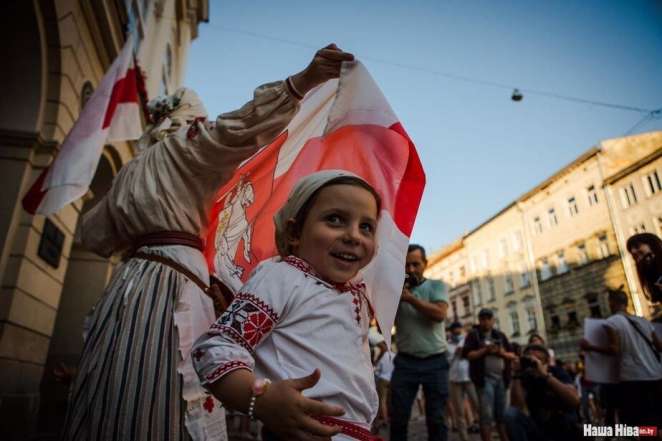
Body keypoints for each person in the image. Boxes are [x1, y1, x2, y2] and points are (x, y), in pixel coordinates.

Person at [61, 45, 354, 441]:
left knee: (116, 385)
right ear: (189, 119)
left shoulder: (130, 171)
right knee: (168, 385)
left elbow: (94, 236)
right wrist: (301, 83)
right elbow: (239, 129)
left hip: (127, 282)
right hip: (173, 282)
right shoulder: (186, 147)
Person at [192, 170, 384, 441]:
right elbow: (215, 349)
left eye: (366, 227)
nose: (354, 236)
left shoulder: (355, 292)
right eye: (335, 219)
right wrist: (261, 401)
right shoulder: (282, 277)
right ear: (294, 232)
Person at [390, 244, 450, 441]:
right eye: (407, 265)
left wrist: (410, 299)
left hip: (436, 361)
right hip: (405, 362)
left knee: (437, 419)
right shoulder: (395, 291)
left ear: (425, 264)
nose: (411, 269)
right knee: (398, 418)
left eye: (416, 264)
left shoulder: (436, 286)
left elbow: (439, 314)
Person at [580, 288, 662, 429]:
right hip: (656, 375)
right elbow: (659, 347)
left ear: (611, 303)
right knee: (656, 420)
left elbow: (614, 349)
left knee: (641, 424)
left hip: (633, 379)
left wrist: (590, 347)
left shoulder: (612, 322)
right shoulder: (643, 321)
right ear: (626, 302)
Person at [504, 344, 581, 441]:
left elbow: (575, 401)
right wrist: (516, 374)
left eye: (538, 360)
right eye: (530, 361)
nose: (534, 364)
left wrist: (545, 376)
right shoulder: (524, 376)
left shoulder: (556, 371)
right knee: (511, 414)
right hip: (540, 430)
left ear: (547, 362)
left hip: (565, 427)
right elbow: (517, 407)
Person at [463, 308, 516, 441]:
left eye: (488, 319)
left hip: (501, 379)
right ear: (479, 321)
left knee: (501, 415)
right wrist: (485, 350)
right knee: (486, 415)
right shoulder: (473, 335)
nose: (486, 322)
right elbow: (468, 355)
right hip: (484, 380)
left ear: (493, 320)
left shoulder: (500, 335)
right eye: (483, 319)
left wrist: (501, 353)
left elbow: (512, 355)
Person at [447, 322, 479, 441]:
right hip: (454, 379)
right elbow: (446, 362)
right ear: (451, 331)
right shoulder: (447, 345)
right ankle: (464, 438)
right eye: (454, 329)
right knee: (459, 411)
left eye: (458, 329)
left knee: (478, 405)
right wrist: (455, 354)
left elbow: (473, 356)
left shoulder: (467, 341)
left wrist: (464, 352)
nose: (457, 331)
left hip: (469, 377)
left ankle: (486, 433)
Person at [626, 233, 662, 313]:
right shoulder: (650, 273)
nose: (633, 251)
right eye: (632, 252)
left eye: (637, 246)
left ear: (651, 244)